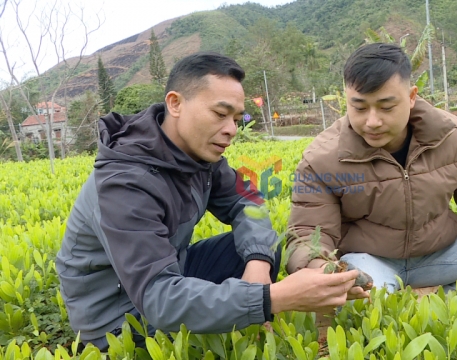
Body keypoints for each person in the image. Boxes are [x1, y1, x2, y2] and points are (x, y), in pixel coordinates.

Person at [55, 52, 360, 351]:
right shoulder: (124, 184)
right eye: (219, 113)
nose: (231, 129)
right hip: (119, 318)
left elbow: (248, 203)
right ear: (175, 103)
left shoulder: (198, 155)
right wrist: (274, 298)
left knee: (260, 247)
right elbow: (157, 297)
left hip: (171, 272)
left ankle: (248, 324)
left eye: (237, 118)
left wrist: (257, 263)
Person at [285, 43, 457, 299]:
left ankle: (442, 302)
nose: (372, 121)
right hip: (370, 262)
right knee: (356, 300)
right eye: (360, 108)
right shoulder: (321, 158)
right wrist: (325, 270)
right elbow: (308, 232)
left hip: (441, 253)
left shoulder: (455, 137)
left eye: (386, 107)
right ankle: (420, 303)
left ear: (411, 96)